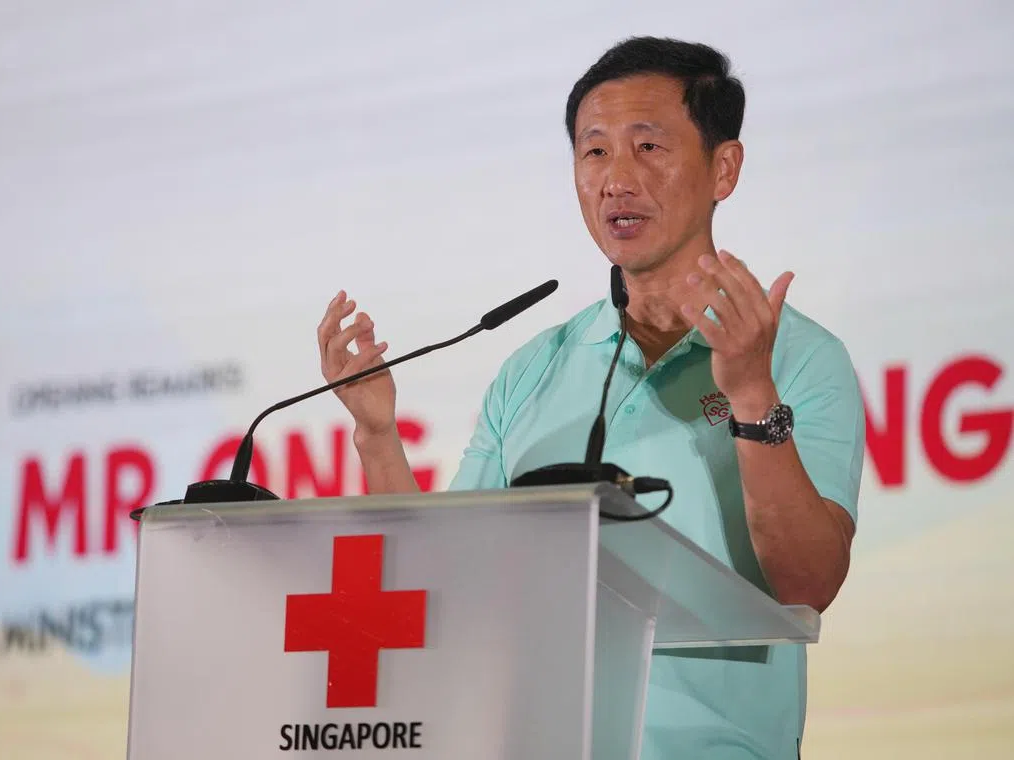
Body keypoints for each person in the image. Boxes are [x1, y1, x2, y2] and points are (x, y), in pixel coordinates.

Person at [316, 35, 865, 760]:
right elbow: (443, 588)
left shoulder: (802, 358)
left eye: (648, 146)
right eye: (594, 152)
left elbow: (808, 585)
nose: (616, 180)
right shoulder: (532, 372)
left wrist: (753, 396)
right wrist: (377, 438)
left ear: (724, 168)